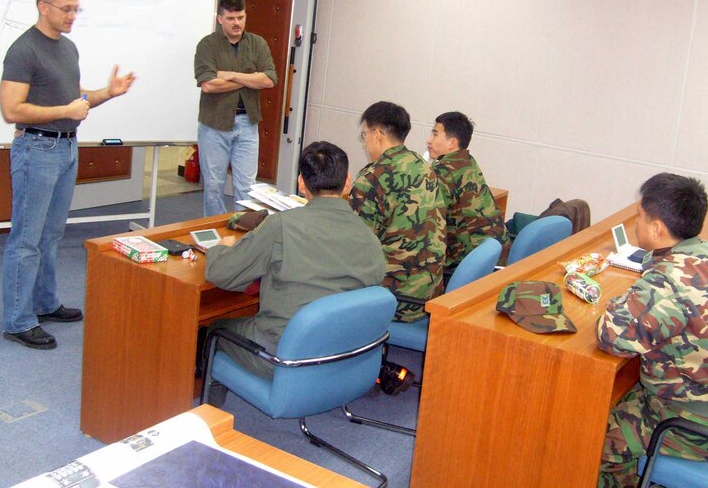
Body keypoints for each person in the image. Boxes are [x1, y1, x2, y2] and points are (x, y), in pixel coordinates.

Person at [596, 173, 708, 488]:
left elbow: (609, 336)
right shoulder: (706, 253)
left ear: (657, 229)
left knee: (592, 438)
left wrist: (620, 301)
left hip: (693, 426)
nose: (636, 226)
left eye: (640, 218)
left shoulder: (667, 280)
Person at [0, 0, 135, 350]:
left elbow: (74, 97)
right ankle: (18, 320)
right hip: (36, 150)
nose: (73, 15)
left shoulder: (67, 48)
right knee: (26, 240)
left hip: (66, 149)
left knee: (51, 235)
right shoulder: (23, 49)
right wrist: (67, 110)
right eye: (67, 8)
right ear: (44, 7)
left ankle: (44, 303)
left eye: (76, 8)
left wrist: (108, 93)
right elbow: (11, 109)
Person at [204, 141, 386, 380]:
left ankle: (212, 412)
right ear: (348, 182)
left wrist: (220, 249)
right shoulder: (369, 237)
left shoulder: (280, 226)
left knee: (215, 329)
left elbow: (221, 274)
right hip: (344, 352)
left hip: (285, 357)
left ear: (301, 184)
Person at [349, 101, 446, 322]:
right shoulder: (425, 167)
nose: (365, 143)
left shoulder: (372, 178)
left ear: (377, 134)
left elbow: (353, 249)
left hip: (394, 299)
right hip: (429, 294)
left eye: (364, 135)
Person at [194, 0, 277, 217]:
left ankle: (243, 235)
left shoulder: (257, 44)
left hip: (247, 124)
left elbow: (269, 80)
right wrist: (249, 78)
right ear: (220, 19)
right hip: (214, 125)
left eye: (240, 17)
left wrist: (231, 75)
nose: (237, 23)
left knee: (247, 187)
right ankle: (215, 232)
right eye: (231, 18)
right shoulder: (207, 45)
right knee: (213, 185)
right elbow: (209, 85)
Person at [426, 111, 510, 277]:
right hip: (495, 253)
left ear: (452, 143)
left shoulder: (442, 171)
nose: (429, 140)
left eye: (435, 134)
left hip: (468, 263)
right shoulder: (467, 160)